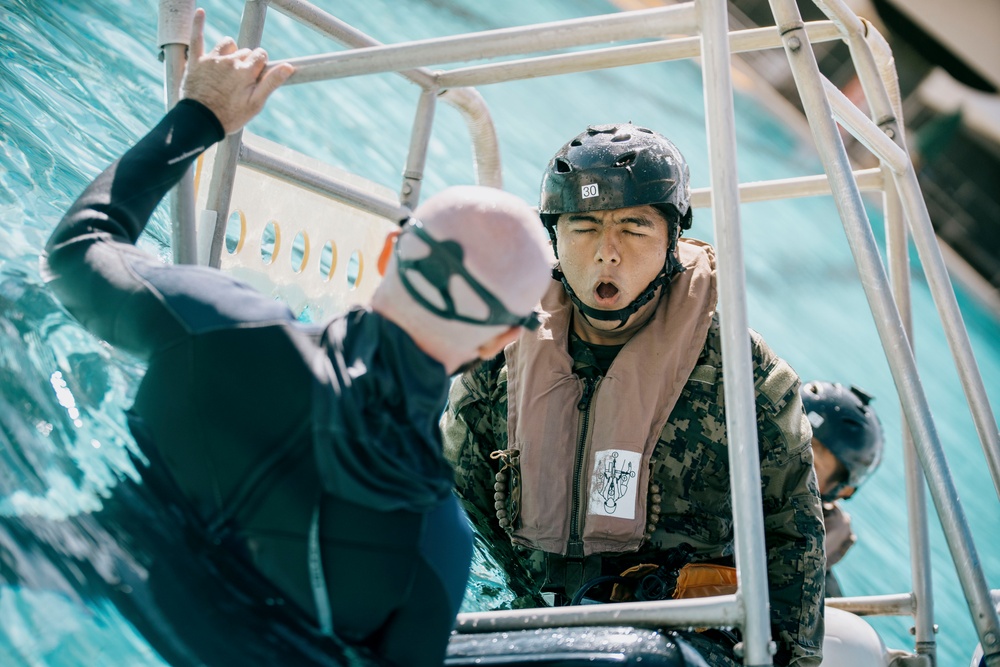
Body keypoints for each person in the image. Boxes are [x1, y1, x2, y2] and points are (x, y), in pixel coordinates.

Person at [41, 10, 553, 667]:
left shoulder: (218, 325)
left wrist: (199, 112)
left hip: (70, 577)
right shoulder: (437, 551)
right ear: (498, 343)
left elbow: (78, 250)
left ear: (388, 252)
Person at [442, 123, 826, 666]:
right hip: (520, 625)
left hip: (669, 641)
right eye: (583, 227)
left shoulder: (745, 376)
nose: (607, 254)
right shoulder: (501, 348)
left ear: (672, 240)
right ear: (554, 237)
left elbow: (793, 539)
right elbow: (456, 499)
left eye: (633, 227)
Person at [800, 380, 885, 598]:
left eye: (809, 463)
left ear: (841, 490)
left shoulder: (817, 599)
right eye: (782, 441)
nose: (784, 462)